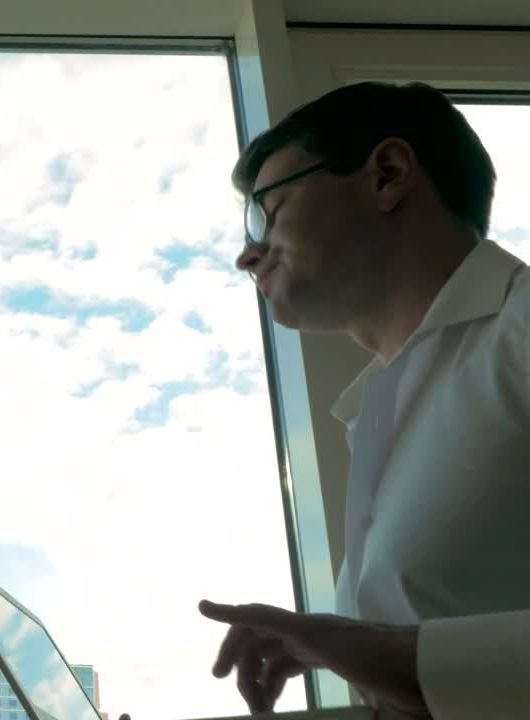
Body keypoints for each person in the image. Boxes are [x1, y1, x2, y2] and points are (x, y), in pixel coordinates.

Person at [199, 81, 530, 719]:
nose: (247, 254)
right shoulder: (383, 409)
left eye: (265, 211)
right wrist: (361, 651)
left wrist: (399, 659)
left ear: (387, 174)